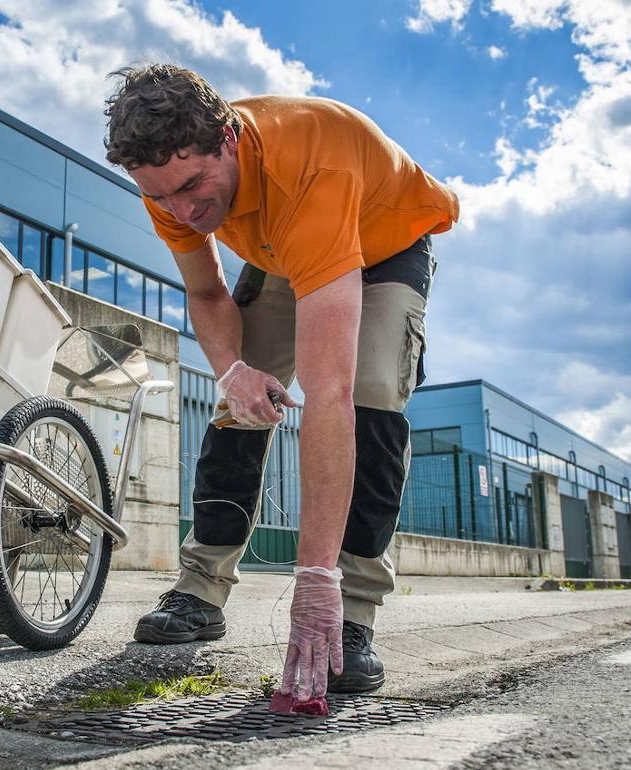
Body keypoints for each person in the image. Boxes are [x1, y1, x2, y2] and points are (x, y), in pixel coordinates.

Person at [103, 64, 458, 701]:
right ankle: (201, 589)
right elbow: (207, 291)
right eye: (161, 198)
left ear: (229, 140)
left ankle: (351, 610)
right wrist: (233, 371)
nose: (182, 211)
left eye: (192, 187)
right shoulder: (167, 178)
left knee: (372, 397)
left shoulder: (313, 165)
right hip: (285, 253)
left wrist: (313, 576)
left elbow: (330, 395)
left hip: (383, 247)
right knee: (237, 403)